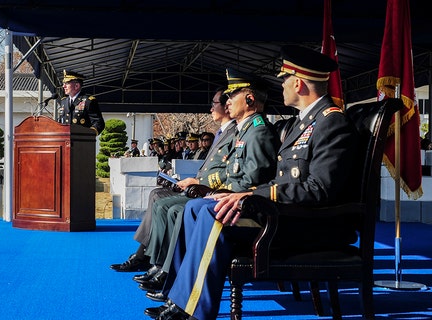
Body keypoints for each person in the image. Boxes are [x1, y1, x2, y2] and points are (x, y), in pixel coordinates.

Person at [154, 46, 360, 320]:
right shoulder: (303, 123)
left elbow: (319, 189)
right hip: (288, 212)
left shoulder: (331, 123)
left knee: (213, 217)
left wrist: (251, 196)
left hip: (310, 222)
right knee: (197, 208)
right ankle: (179, 298)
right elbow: (282, 179)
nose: (281, 86)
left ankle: (193, 311)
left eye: (284, 79)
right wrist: (245, 194)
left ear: (298, 83)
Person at [138, 69, 280, 297]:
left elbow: (251, 181)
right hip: (231, 198)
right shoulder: (245, 131)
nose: (229, 101)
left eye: (233, 95)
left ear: (250, 99)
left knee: (185, 209)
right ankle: (173, 280)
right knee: (183, 208)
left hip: (247, 208)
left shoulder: (258, 132)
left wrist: (217, 192)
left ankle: (176, 283)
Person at [111, 87, 237, 272]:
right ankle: (144, 254)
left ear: (226, 107)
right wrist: (193, 180)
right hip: (200, 185)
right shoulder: (222, 133)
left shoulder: (234, 132)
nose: (210, 108)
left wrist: (198, 183)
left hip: (211, 191)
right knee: (156, 193)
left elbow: (227, 171)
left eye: (214, 104)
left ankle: (155, 260)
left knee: (164, 204)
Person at [57, 70, 105, 135]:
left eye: (67, 83)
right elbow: (60, 121)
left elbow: (98, 122)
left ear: (77, 86)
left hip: (82, 142)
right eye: (63, 83)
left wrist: (90, 135)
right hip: (65, 140)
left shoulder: (88, 101)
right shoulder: (64, 101)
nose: (63, 86)